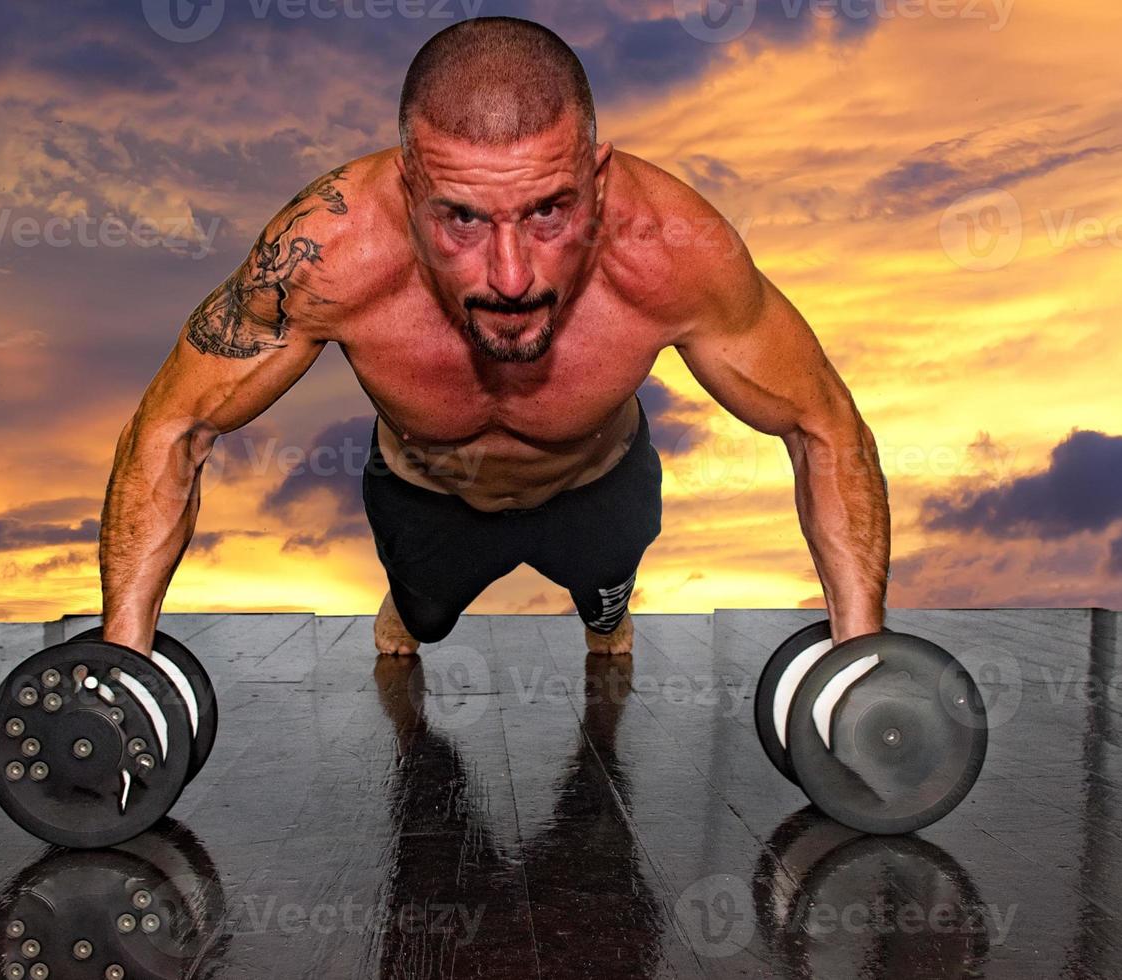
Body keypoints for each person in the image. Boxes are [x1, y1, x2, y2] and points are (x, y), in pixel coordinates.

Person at [99, 16, 890, 658]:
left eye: (549, 209)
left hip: (596, 488)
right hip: (428, 495)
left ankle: (604, 610)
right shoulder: (323, 254)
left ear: (598, 175)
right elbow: (175, 423)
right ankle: (414, 600)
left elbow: (822, 424)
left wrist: (862, 662)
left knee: (609, 605)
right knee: (419, 623)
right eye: (462, 217)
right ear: (410, 186)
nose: (511, 277)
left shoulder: (674, 250)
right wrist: (123, 664)